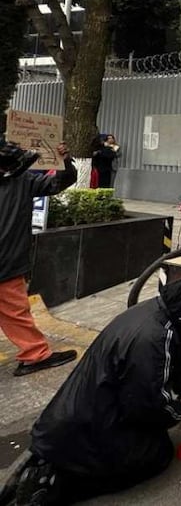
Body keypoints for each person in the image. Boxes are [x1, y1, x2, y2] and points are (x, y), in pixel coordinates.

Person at [16, 275, 181, 505]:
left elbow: (180, 355)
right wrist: (177, 409)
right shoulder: (153, 339)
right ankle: (57, 487)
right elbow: (145, 406)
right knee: (158, 456)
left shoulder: (157, 312)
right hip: (88, 428)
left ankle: (55, 468)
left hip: (75, 417)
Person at [0, 139, 78, 377]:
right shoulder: (22, 180)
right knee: (15, 312)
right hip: (8, 263)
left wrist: (64, 161)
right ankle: (34, 354)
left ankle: (35, 353)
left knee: (14, 312)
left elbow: (58, 182)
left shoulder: (24, 181)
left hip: (8, 262)